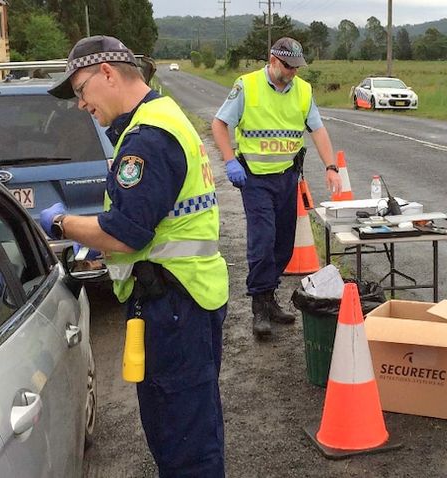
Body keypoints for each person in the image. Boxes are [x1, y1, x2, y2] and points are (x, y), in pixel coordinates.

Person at [42, 35, 229, 477]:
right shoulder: (161, 118)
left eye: (80, 90)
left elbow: (126, 232)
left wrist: (61, 224)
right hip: (184, 298)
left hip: (175, 305)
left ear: (106, 73)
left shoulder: (146, 138)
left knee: (183, 441)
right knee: (190, 428)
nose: (80, 104)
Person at [211, 37, 342, 340]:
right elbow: (220, 124)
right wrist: (229, 160)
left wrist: (330, 166)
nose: (293, 71)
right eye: (288, 65)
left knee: (283, 243)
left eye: (297, 66)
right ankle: (259, 305)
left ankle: (270, 298)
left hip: (286, 177)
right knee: (263, 239)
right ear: (272, 60)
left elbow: (318, 130)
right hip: (254, 178)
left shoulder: (304, 90)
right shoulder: (247, 86)